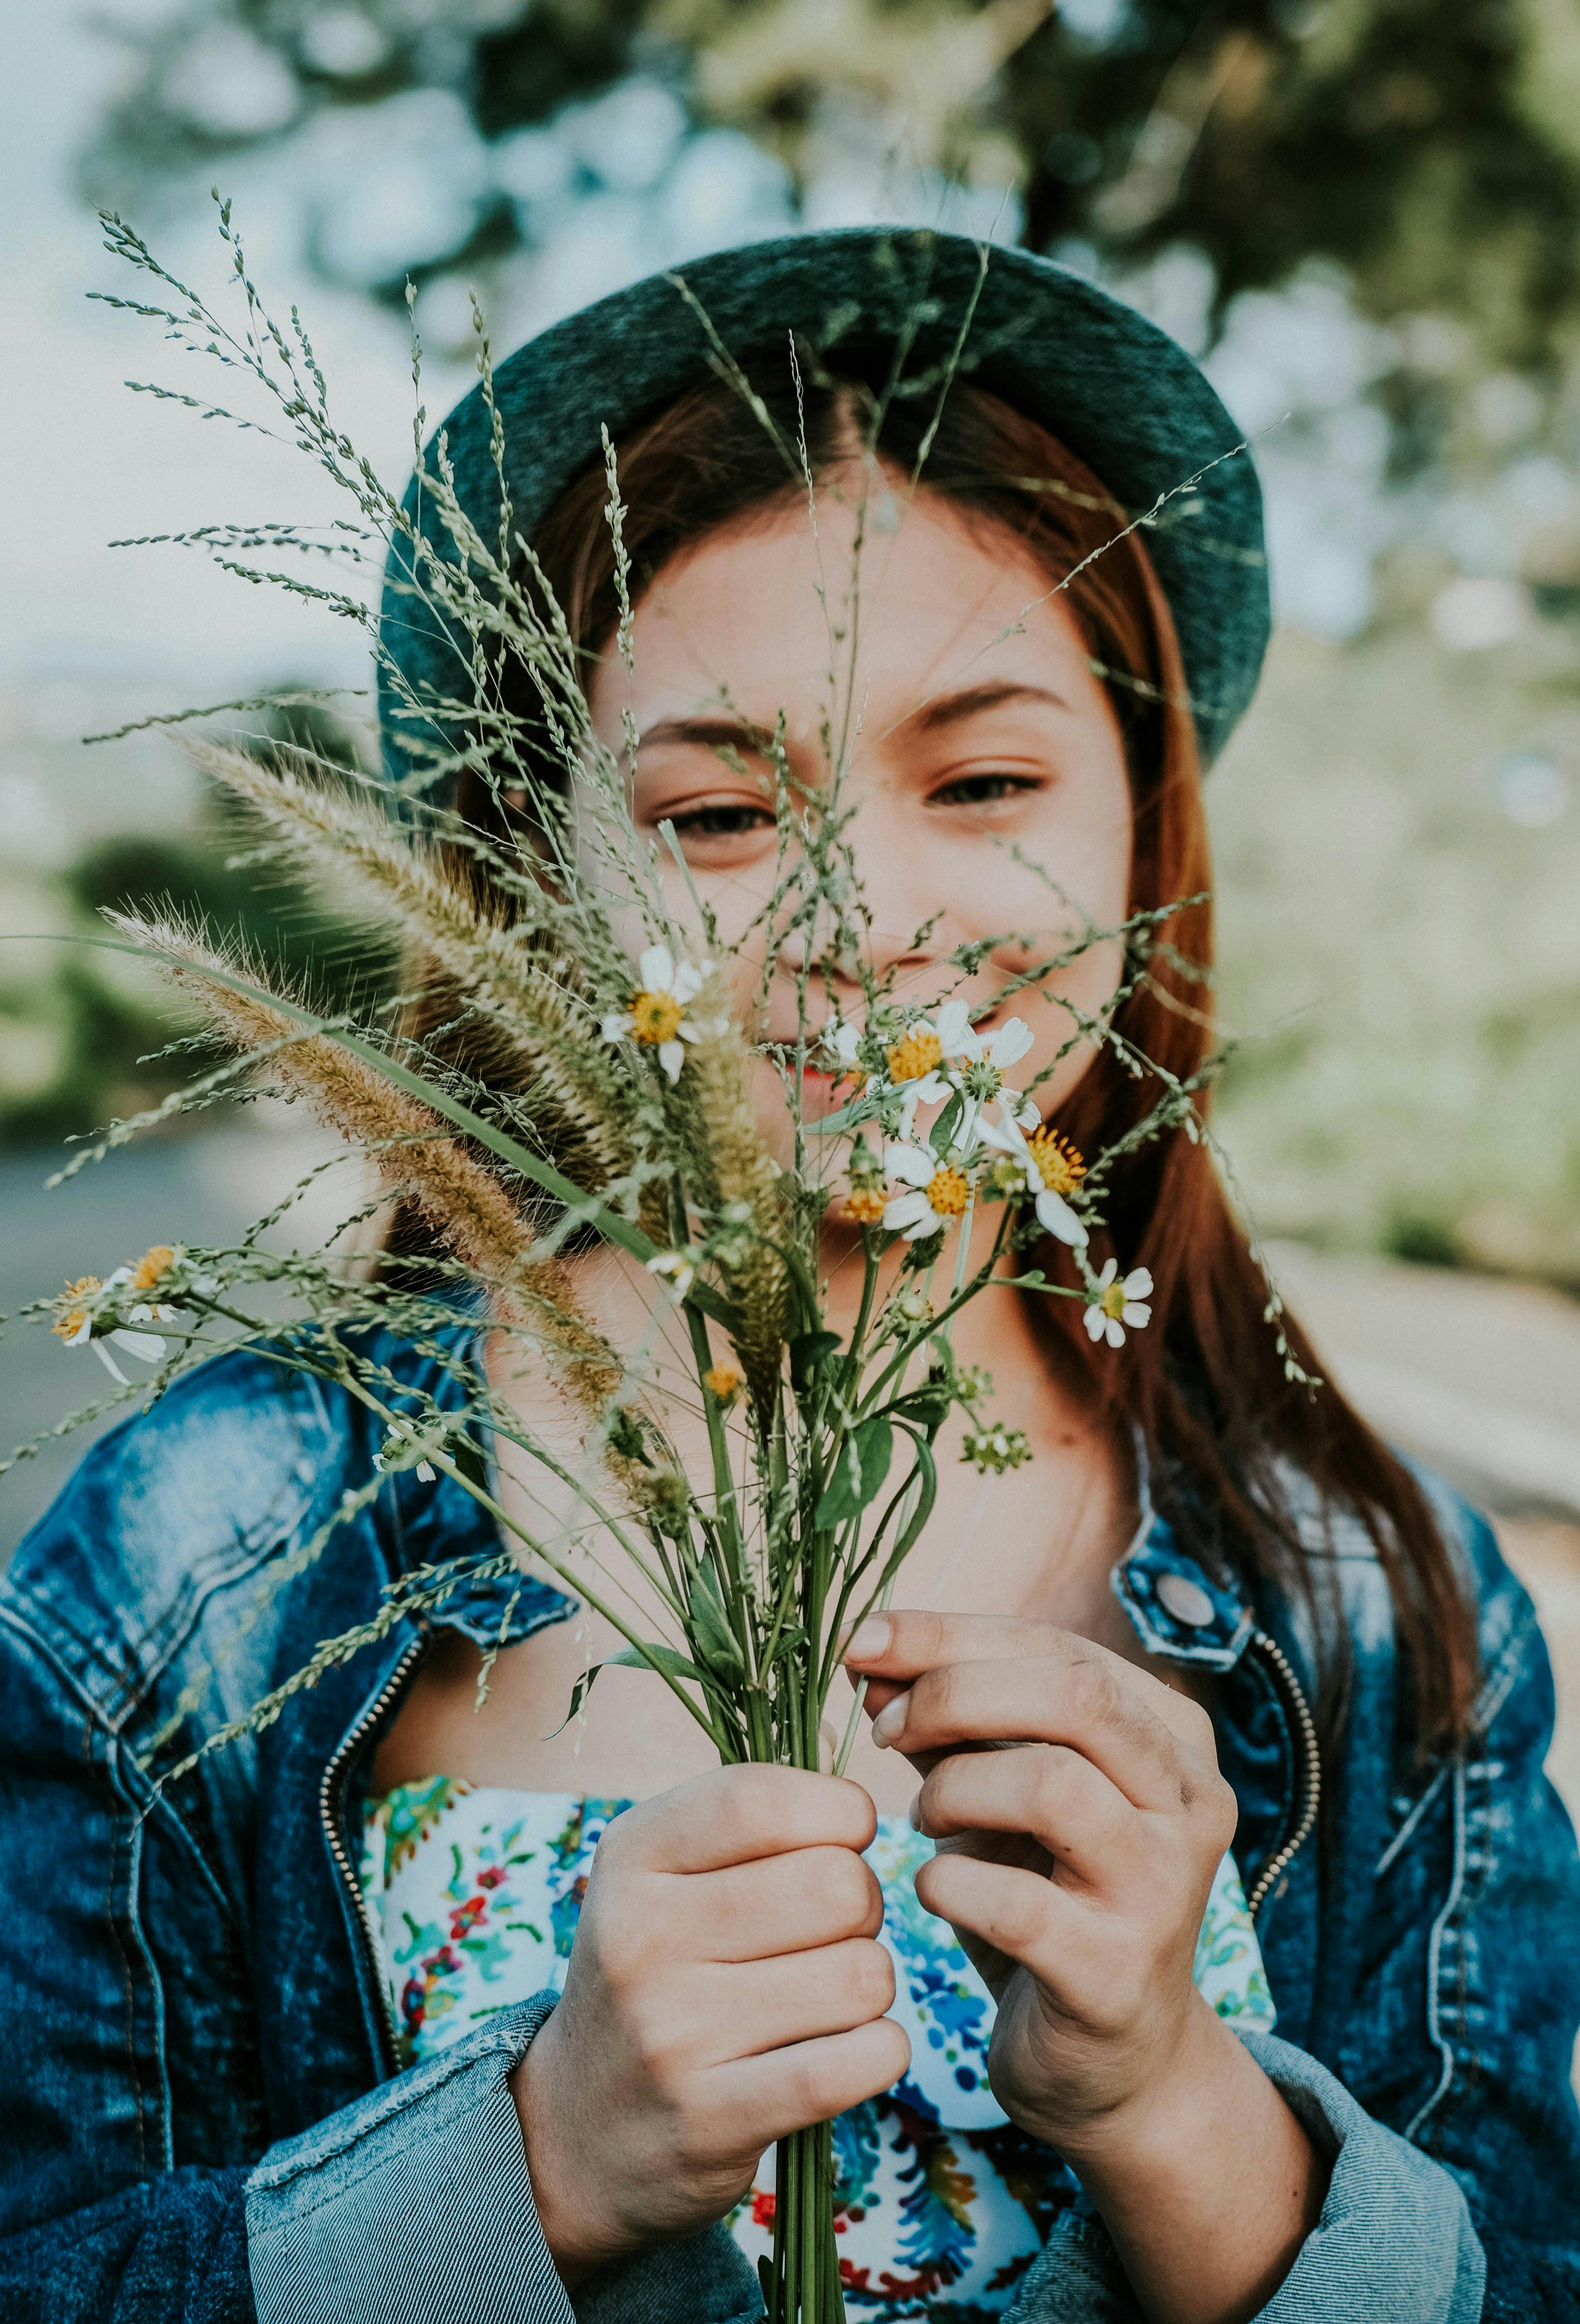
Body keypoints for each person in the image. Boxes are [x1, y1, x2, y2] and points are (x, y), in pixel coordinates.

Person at [2, 229, 1577, 2324]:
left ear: (1141, 826)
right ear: (532, 882)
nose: (874, 918)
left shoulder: (1382, 1608)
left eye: (988, 779)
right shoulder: (202, 1568)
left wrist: (1186, 2113)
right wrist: (538, 2170)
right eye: (725, 812)